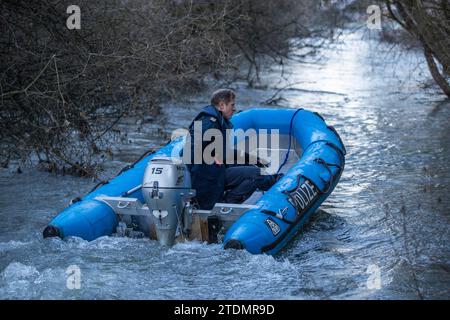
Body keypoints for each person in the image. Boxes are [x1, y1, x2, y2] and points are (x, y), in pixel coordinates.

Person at [186, 89, 280, 210]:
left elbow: (223, 153)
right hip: (207, 179)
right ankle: (225, 203)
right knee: (256, 174)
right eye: (232, 105)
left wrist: (254, 159)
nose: (234, 109)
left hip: (213, 171)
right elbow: (192, 152)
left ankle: (272, 180)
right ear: (221, 105)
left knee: (250, 167)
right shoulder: (209, 124)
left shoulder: (213, 120)